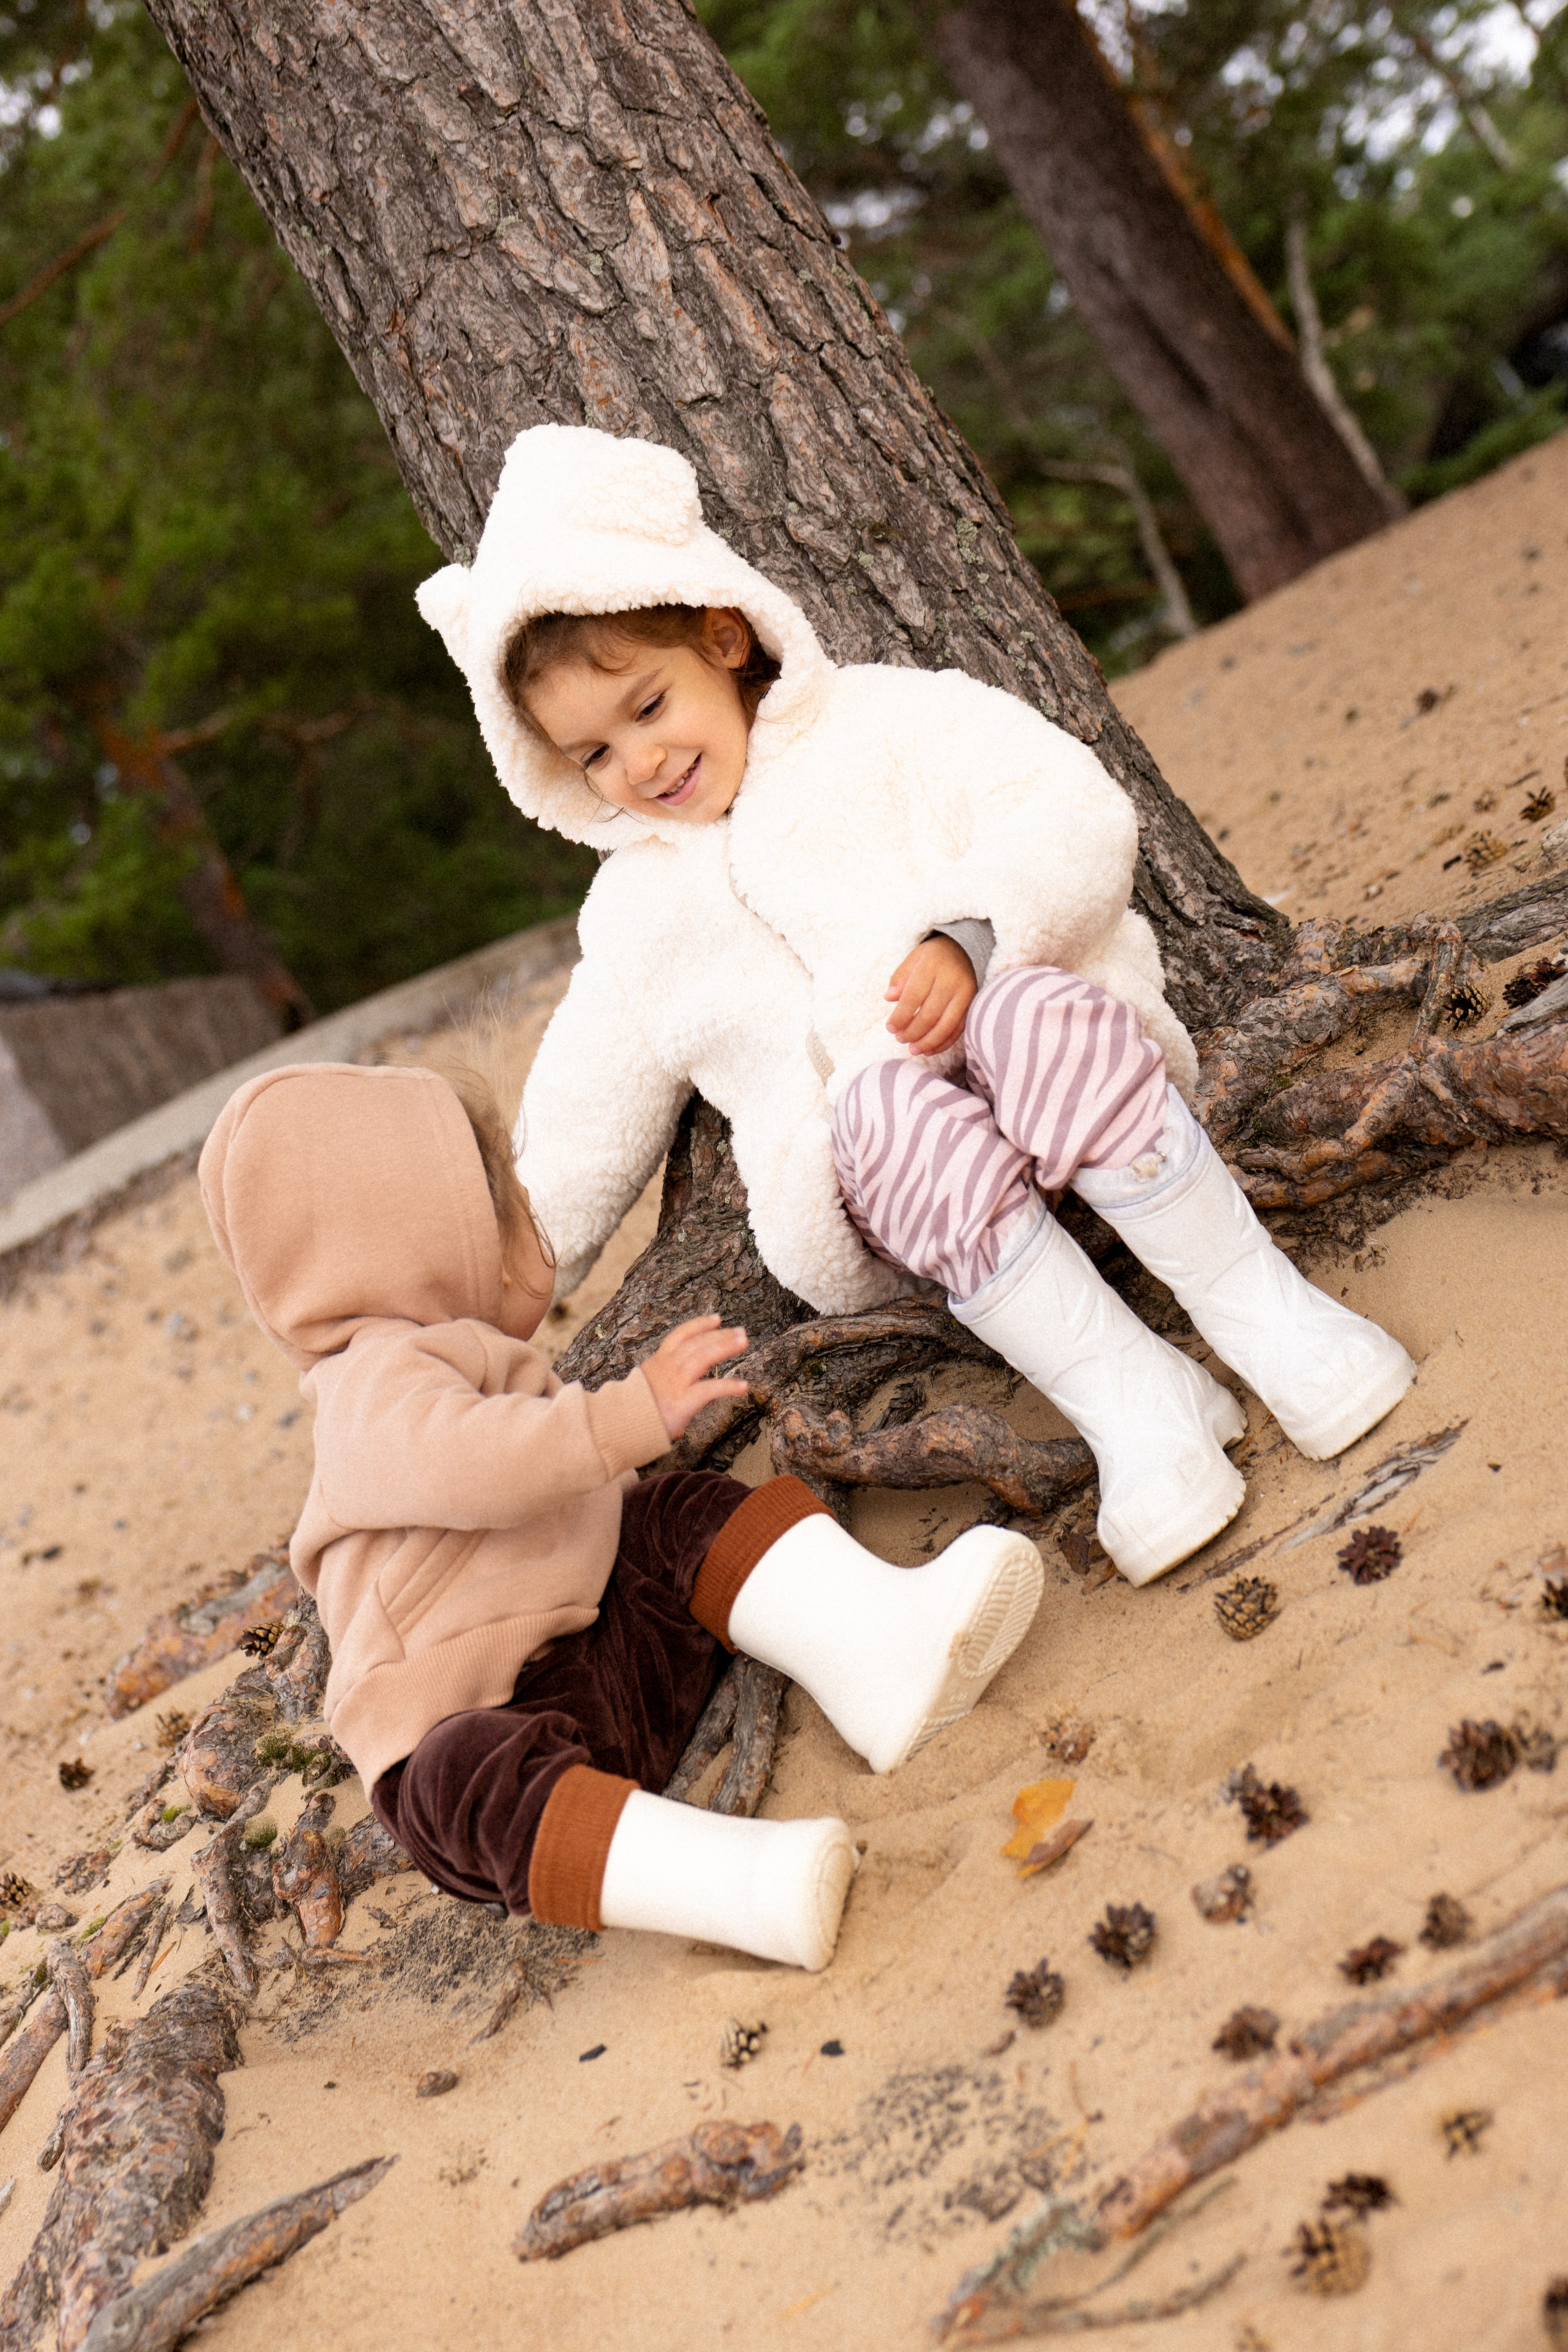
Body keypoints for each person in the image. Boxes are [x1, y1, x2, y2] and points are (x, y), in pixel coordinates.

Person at [417, 425, 1417, 1586]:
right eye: (591, 754)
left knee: (1022, 1016)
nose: (637, 764)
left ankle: (1267, 1313)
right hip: (901, 1184)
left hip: (1056, 1057)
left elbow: (1066, 804)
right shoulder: (635, 914)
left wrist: (973, 931)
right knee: (876, 1117)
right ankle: (1136, 1401)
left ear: (723, 634)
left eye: (649, 707)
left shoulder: (887, 724)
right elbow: (588, 1101)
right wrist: (518, 1261)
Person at [197, 1059, 1044, 1970]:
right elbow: (467, 1462)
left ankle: (883, 1652)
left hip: (607, 1653)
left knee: (678, 1516)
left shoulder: (447, 1353)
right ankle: (742, 1886)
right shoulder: (371, 1382)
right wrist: (623, 1416)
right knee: (463, 1791)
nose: (523, 1221)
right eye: (493, 1205)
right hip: (479, 1713)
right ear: (411, 1242)